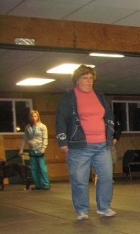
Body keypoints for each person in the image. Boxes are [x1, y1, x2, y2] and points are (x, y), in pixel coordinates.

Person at [56, 65, 117, 221]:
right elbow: (61, 120)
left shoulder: (99, 95)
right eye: (85, 78)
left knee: (106, 177)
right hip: (79, 146)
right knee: (79, 180)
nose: (89, 81)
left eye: (91, 78)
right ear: (77, 80)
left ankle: (104, 207)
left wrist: (110, 132)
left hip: (102, 144)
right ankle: (82, 210)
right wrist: (62, 140)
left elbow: (109, 114)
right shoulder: (68, 97)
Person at [19, 110, 50, 190]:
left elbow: (45, 138)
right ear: (30, 117)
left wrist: (43, 148)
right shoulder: (27, 127)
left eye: (35, 116)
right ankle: (38, 184)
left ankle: (46, 184)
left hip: (39, 149)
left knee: (42, 167)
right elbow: (25, 139)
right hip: (32, 149)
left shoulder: (42, 126)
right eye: (32, 116)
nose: (33, 118)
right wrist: (21, 149)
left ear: (38, 117)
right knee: (34, 168)